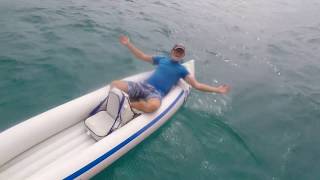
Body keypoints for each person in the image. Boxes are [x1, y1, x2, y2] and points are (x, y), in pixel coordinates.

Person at [111, 35, 230, 113]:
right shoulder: (161, 59)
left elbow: (197, 85)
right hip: (142, 86)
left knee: (153, 107)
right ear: (172, 51)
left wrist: (217, 90)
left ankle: (131, 106)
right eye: (176, 51)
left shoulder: (182, 70)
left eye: (180, 52)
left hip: (156, 94)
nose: (177, 53)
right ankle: (128, 104)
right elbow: (142, 56)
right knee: (115, 84)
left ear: (183, 56)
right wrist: (128, 44)